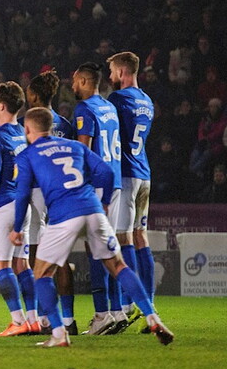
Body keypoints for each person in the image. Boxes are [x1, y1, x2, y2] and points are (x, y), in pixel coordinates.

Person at [10, 107, 173, 347]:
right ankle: (152, 317)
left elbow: (23, 194)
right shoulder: (75, 146)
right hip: (93, 209)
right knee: (118, 266)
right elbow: (106, 172)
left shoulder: (27, 155)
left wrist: (16, 228)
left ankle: (59, 333)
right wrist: (105, 202)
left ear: (27, 129)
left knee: (41, 274)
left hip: (64, 214)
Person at [19, 70, 78, 333]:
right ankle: (68, 319)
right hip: (63, 192)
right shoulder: (65, 124)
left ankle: (43, 317)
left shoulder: (27, 124)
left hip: (36, 192)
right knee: (61, 257)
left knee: (35, 254)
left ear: (33, 96)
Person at [0, 81, 37, 336]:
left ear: (2, 106)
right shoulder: (24, 134)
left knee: (1, 264)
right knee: (22, 264)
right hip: (23, 204)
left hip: (2, 206)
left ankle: (18, 320)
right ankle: (34, 319)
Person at [72, 62, 126, 335]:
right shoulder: (109, 107)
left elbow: (84, 151)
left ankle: (102, 314)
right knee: (109, 246)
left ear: (84, 81)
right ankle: (117, 310)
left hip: (95, 186)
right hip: (114, 182)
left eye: (74, 81)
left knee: (95, 250)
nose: (72, 86)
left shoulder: (85, 109)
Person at [106, 52, 156, 333]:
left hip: (126, 175)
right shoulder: (147, 101)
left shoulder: (118, 99)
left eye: (112, 72)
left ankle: (128, 304)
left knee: (121, 237)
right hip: (144, 173)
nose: (110, 77)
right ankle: (150, 303)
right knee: (140, 236)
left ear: (123, 72)